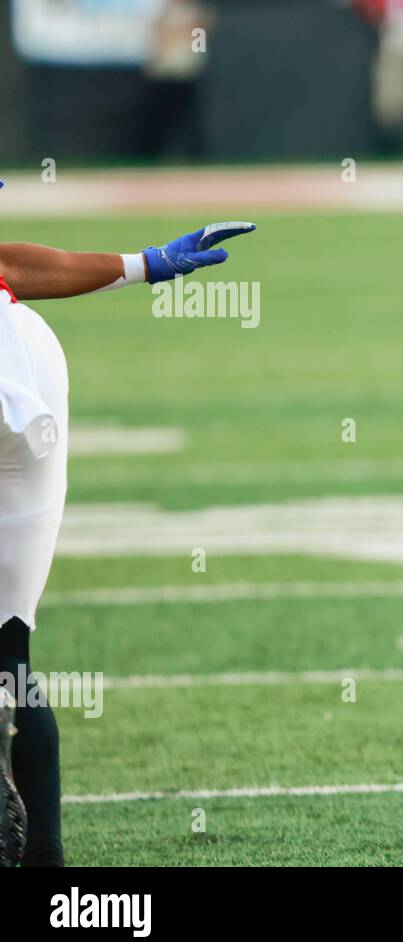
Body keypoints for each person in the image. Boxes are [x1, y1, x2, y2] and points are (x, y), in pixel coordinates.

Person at [0, 198, 255, 866]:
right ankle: (47, 863)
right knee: (10, 650)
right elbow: (8, 264)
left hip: (16, 372)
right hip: (25, 368)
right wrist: (146, 264)